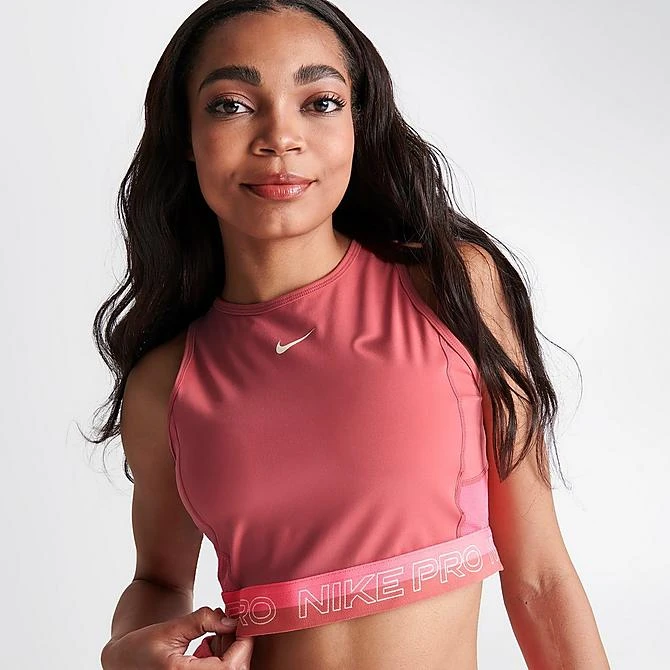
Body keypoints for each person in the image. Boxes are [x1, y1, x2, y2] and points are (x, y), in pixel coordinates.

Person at [88, 1, 610, 668]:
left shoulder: (454, 290)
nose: (281, 137)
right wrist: (126, 654)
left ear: (359, 124)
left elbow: (539, 577)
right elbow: (159, 581)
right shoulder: (166, 383)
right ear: (185, 135)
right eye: (232, 105)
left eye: (321, 102)